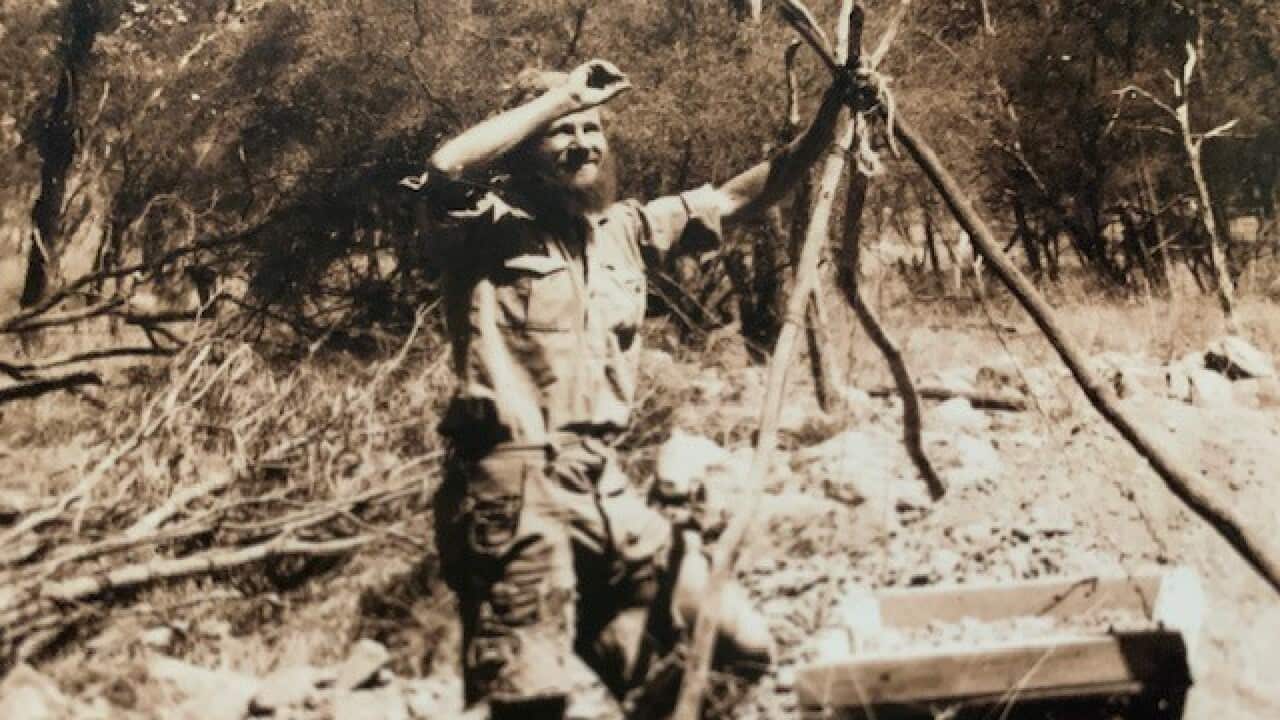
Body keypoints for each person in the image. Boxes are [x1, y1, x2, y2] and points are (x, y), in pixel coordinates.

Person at [413, 59, 848, 720]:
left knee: (733, 647)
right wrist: (560, 96)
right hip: (514, 491)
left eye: (593, 127)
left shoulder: (626, 232)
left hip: (605, 491)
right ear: (525, 153)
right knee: (531, 703)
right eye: (562, 132)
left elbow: (737, 200)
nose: (583, 141)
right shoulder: (483, 228)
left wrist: (831, 117)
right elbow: (447, 166)